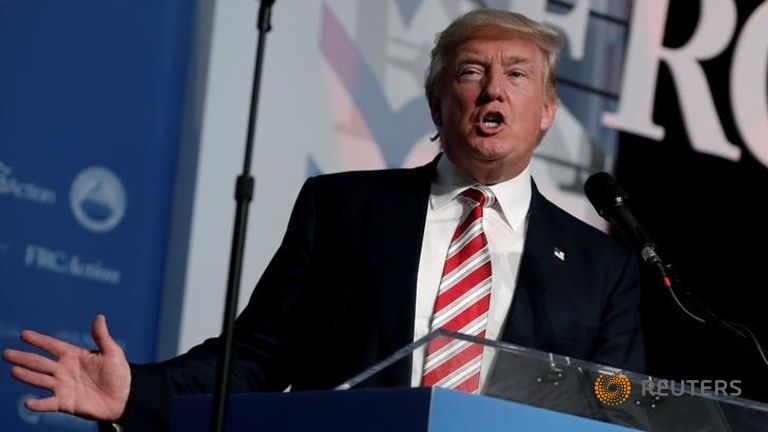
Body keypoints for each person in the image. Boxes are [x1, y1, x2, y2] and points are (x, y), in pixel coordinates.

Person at [3, 9, 644, 430]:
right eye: (471, 72)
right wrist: (135, 394)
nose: (493, 89)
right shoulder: (343, 209)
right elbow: (255, 359)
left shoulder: (601, 266)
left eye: (517, 74)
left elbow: (612, 411)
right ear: (436, 103)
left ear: (547, 110)